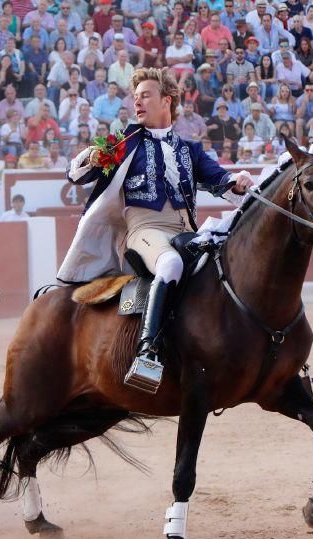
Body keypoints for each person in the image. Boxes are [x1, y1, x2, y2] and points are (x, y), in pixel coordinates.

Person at [61, 67, 253, 391]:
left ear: (167, 101)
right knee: (171, 264)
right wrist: (91, 156)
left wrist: (237, 181)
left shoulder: (189, 149)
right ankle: (147, 351)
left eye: (145, 95)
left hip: (186, 231)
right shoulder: (123, 143)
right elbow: (76, 175)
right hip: (143, 231)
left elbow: (219, 177)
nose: (137, 102)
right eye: (135, 97)